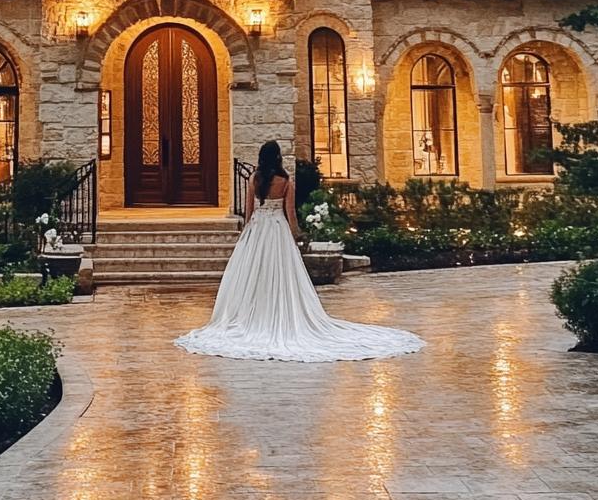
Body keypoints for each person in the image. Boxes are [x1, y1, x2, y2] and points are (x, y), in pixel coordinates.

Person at [174, 140, 424, 362]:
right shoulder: (285, 181)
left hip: (259, 228)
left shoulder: (255, 179)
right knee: (281, 272)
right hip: (277, 229)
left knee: (253, 272)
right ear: (278, 157)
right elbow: (290, 213)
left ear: (261, 157)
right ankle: (278, 310)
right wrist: (296, 234)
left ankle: (253, 313)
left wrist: (247, 233)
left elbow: (248, 211)